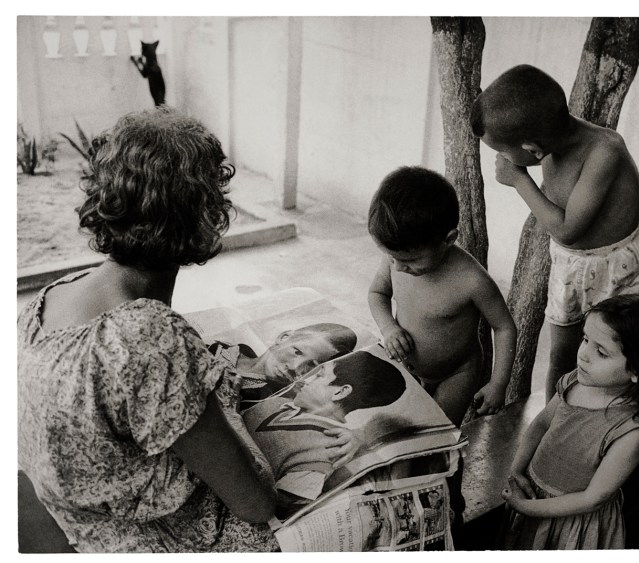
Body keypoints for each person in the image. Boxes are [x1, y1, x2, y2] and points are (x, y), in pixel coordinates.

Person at [16, 108, 353, 552]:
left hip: (85, 521)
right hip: (150, 541)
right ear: (204, 215)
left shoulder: (47, 300)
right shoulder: (148, 337)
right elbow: (254, 503)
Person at [471, 64, 639, 403]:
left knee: (630, 354)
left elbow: (568, 229)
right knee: (562, 354)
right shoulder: (549, 148)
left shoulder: (605, 151)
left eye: (502, 151)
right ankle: (554, 418)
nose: (502, 159)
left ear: (531, 149)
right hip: (569, 268)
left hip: (617, 270)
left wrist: (520, 181)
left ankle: (637, 419)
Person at [500, 294, 639, 549]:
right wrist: (517, 470)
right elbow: (541, 424)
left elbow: (593, 498)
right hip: (534, 497)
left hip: (573, 524)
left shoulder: (632, 431)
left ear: (638, 370)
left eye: (601, 352)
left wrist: (529, 508)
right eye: (585, 339)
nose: (584, 354)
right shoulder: (575, 381)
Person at [367, 166, 517, 427]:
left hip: (456, 373)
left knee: (438, 433)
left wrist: (498, 383)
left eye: (411, 260)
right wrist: (389, 328)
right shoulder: (396, 257)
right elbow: (377, 293)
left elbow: (503, 327)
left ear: (448, 239)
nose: (399, 267)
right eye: (393, 257)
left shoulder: (472, 280)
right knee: (398, 427)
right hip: (407, 365)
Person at [244, 350, 406, 515]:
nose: (304, 379)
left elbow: (266, 509)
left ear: (340, 392)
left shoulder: (327, 452)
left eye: (319, 376)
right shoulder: (278, 402)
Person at [210, 322, 358, 407]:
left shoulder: (264, 399)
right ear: (284, 337)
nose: (295, 367)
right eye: (298, 352)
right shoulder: (227, 349)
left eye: (311, 366)